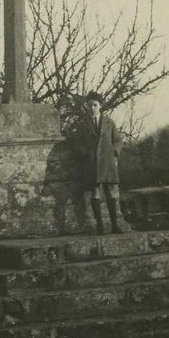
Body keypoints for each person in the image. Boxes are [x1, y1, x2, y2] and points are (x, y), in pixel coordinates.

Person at [75, 91, 130, 235]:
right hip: (92, 163)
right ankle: (100, 226)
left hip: (107, 162)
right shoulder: (82, 125)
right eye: (89, 105)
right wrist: (84, 153)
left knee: (111, 192)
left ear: (100, 106)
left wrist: (115, 152)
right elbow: (78, 142)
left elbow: (118, 140)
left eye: (95, 105)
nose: (92, 108)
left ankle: (115, 225)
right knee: (95, 193)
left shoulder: (109, 123)